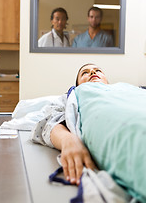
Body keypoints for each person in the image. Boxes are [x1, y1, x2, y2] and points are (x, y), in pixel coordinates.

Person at [31, 63, 146, 203]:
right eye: (85, 73)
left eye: (98, 70)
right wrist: (68, 140)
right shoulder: (76, 94)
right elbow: (48, 123)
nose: (92, 72)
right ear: (78, 85)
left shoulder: (129, 88)